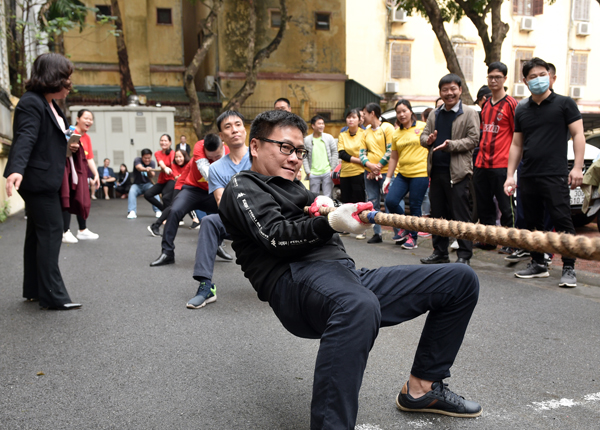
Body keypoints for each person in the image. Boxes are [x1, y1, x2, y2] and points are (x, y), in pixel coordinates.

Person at [218, 109, 482, 429]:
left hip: (345, 276)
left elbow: (319, 212)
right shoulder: (242, 185)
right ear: (256, 146)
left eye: (299, 151)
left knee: (459, 279)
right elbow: (273, 237)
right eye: (285, 148)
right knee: (357, 304)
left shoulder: (299, 190)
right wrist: (328, 221)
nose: (294, 158)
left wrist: (336, 210)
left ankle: (422, 388)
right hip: (295, 283)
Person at [3, 53, 81, 310]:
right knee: (51, 231)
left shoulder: (50, 104)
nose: (70, 83)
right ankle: (53, 296)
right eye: (66, 77)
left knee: (37, 233)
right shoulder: (31, 103)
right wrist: (16, 169)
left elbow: (47, 140)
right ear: (52, 78)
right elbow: (25, 137)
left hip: (43, 177)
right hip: (36, 180)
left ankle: (34, 289)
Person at [504, 57, 584, 288]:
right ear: (525, 81)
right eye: (533, 77)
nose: (538, 79)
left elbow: (578, 135)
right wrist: (511, 175)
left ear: (550, 77)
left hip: (555, 174)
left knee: (562, 220)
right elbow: (517, 144)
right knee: (531, 223)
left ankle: (568, 267)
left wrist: (577, 167)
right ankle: (538, 263)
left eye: (542, 75)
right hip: (528, 174)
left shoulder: (565, 103)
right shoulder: (522, 108)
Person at [185, 111, 252, 308]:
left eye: (238, 124)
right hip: (237, 221)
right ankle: (206, 287)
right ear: (222, 137)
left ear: (244, 129)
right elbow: (222, 203)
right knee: (209, 221)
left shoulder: (261, 156)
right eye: (228, 127)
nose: (234, 130)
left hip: (266, 218)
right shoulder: (216, 169)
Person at [149, 128, 232, 267]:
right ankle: (167, 252)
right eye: (209, 157)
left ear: (222, 148)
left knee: (226, 213)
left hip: (213, 192)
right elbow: (208, 173)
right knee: (174, 211)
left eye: (217, 157)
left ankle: (217, 244)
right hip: (193, 190)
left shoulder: (228, 151)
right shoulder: (199, 146)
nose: (213, 160)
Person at [420, 74, 480, 265]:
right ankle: (440, 252)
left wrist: (450, 145)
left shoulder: (469, 113)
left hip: (459, 173)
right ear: (440, 92)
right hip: (436, 171)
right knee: (437, 214)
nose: (449, 93)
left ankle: (464, 255)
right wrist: (427, 141)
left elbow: (473, 140)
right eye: (445, 90)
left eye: (453, 89)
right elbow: (423, 136)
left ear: (460, 90)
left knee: (460, 215)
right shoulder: (434, 114)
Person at [473, 62, 518, 254]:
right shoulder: (485, 105)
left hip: (501, 164)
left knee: (506, 207)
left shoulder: (511, 104)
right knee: (484, 205)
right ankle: (488, 240)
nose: (493, 80)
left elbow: (518, 137)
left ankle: (512, 242)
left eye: (497, 77)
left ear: (505, 79)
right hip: (481, 163)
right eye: (490, 77)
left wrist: (512, 169)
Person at [383, 99, 429, 250]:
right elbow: (394, 157)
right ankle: (406, 226)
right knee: (391, 201)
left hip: (420, 173)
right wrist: (388, 178)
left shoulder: (423, 127)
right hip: (403, 174)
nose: (401, 114)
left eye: (404, 111)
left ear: (410, 111)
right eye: (398, 112)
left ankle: (412, 239)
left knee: (415, 207)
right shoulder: (396, 134)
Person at [62, 108, 101, 244]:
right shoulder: (70, 133)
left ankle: (82, 230)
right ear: (78, 119)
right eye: (86, 118)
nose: (89, 121)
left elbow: (89, 158)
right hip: (69, 172)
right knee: (68, 198)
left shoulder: (87, 137)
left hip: (82, 173)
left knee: (82, 199)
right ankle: (65, 231)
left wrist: (96, 174)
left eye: (91, 119)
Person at [360, 102, 395, 243]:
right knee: (372, 202)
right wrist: (370, 166)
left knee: (390, 202)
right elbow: (361, 153)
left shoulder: (387, 128)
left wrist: (377, 167)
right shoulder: (365, 131)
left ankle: (398, 232)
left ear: (372, 113)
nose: (362, 117)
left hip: (386, 173)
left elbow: (390, 151)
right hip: (369, 173)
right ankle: (377, 233)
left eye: (364, 114)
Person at [147, 148, 200, 236]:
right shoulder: (174, 165)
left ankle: (195, 220)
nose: (178, 159)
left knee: (176, 204)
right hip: (180, 186)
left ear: (185, 156)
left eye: (180, 157)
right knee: (168, 200)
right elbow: (176, 177)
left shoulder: (190, 163)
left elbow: (190, 176)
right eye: (176, 157)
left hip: (188, 187)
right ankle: (157, 225)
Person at [303, 115, 338, 198]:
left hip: (327, 172)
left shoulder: (329, 138)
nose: (322, 125)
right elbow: (304, 156)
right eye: (319, 123)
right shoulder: (307, 140)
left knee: (328, 197)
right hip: (313, 173)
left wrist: (331, 168)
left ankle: (328, 211)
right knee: (314, 198)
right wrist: (308, 172)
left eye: (323, 123)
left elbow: (334, 153)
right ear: (313, 126)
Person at [337, 108, 366, 204]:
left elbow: (367, 152)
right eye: (348, 117)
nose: (351, 120)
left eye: (354, 117)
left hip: (359, 173)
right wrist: (359, 161)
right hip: (345, 174)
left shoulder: (364, 134)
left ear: (359, 120)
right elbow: (342, 154)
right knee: (346, 203)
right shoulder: (342, 135)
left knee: (359, 203)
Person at [143, 134, 175, 217]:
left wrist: (171, 168)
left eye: (165, 140)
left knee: (165, 195)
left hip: (171, 179)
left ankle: (169, 216)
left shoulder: (172, 153)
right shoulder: (157, 153)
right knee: (148, 194)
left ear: (170, 142)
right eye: (162, 140)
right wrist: (165, 168)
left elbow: (172, 163)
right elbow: (160, 162)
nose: (163, 142)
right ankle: (164, 209)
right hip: (162, 180)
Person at [127, 148, 159, 219]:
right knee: (132, 192)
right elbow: (139, 168)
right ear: (142, 157)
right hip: (137, 185)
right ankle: (132, 211)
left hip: (147, 184)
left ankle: (158, 210)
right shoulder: (137, 160)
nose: (147, 160)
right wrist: (146, 169)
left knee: (155, 191)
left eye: (149, 158)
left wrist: (149, 171)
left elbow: (152, 175)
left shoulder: (152, 163)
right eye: (145, 158)